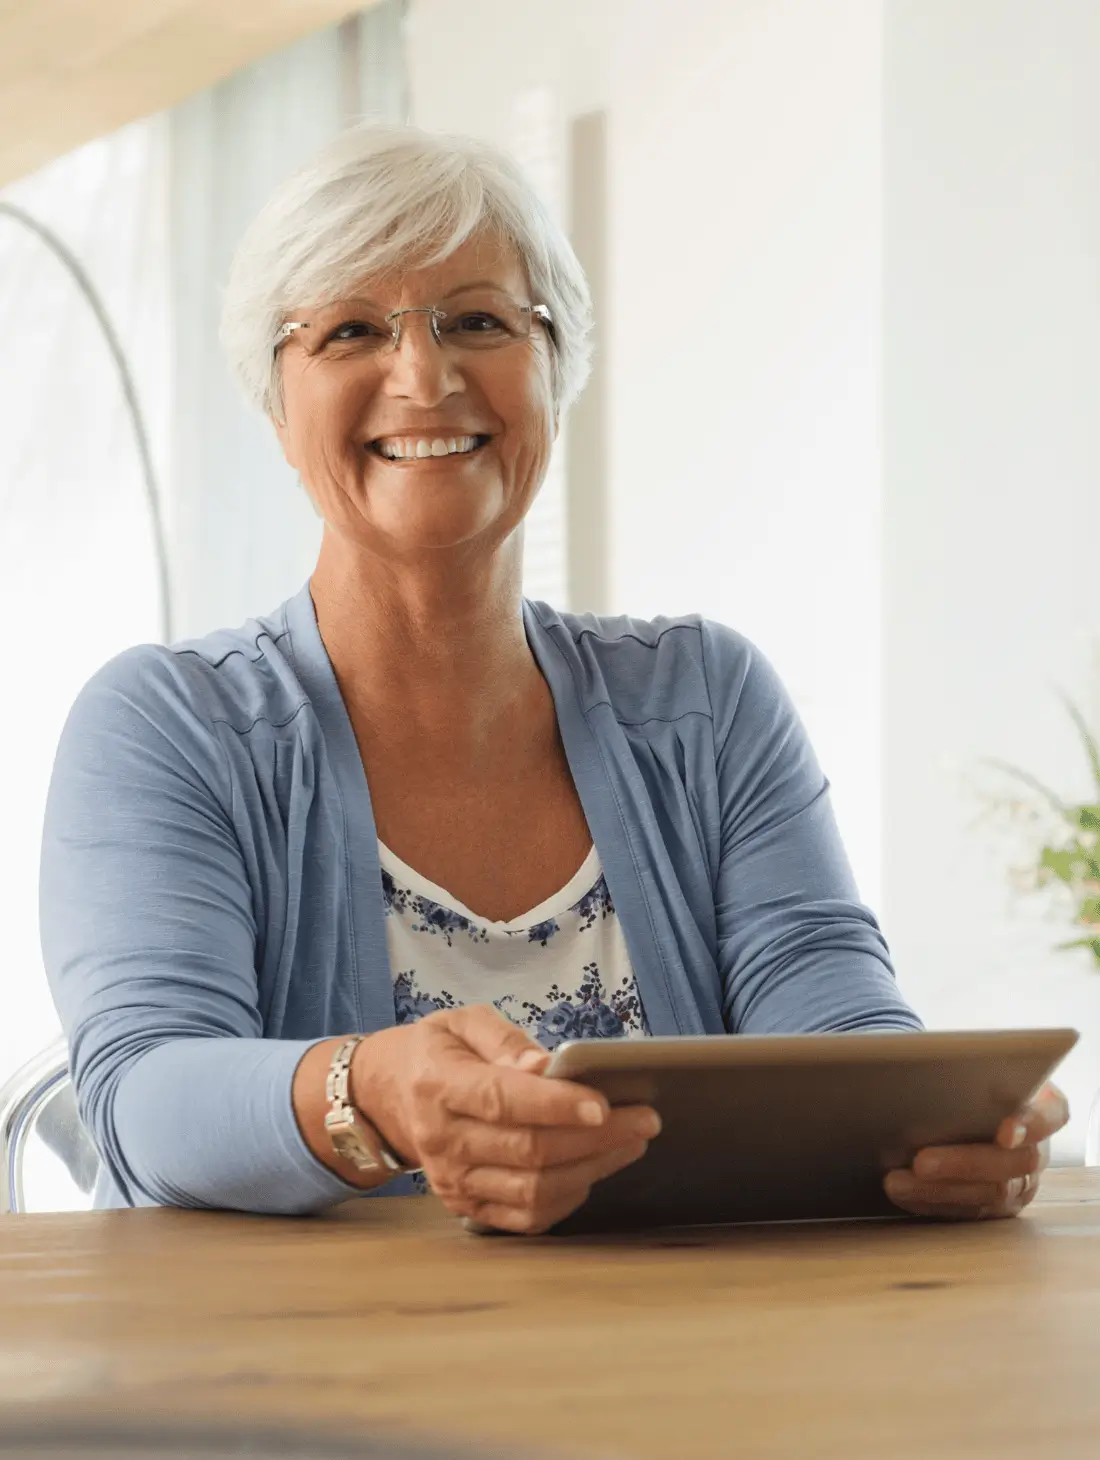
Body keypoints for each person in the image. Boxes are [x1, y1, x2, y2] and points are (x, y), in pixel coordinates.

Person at [39, 124, 1067, 1231]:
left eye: (477, 319)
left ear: (555, 370)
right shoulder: (164, 724)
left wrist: (930, 1124)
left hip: (687, 1364)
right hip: (294, 1384)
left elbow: (827, 1002)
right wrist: (370, 1087)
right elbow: (145, 1094)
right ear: (277, 407)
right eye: (349, 330)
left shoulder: (706, 699)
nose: (423, 374)